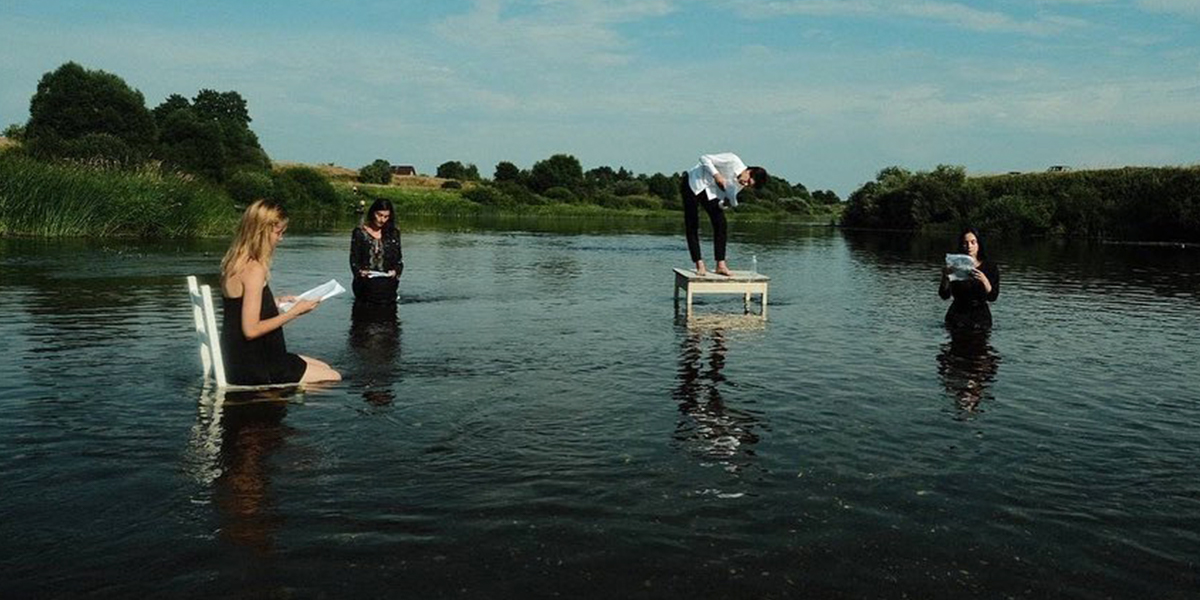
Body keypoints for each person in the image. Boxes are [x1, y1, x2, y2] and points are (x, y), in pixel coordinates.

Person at [219, 199, 341, 385]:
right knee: (333, 378)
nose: (281, 238)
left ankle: (287, 391)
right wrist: (295, 312)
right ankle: (281, 394)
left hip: (238, 355)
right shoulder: (253, 270)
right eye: (278, 233)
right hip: (257, 365)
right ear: (262, 232)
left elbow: (238, 306)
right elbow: (251, 330)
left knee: (324, 367)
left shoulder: (233, 262)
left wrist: (275, 302)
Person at [682, 153, 768, 276]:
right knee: (692, 224)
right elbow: (704, 158)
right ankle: (699, 264)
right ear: (749, 171)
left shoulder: (739, 185)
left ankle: (720, 265)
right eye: (748, 181)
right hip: (693, 182)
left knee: (721, 224)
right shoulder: (732, 160)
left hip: (710, 193)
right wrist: (716, 175)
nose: (745, 184)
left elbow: (722, 203)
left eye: (749, 185)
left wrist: (725, 204)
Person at [938, 227, 1000, 329]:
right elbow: (944, 295)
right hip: (957, 313)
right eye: (965, 243)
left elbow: (993, 297)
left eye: (973, 242)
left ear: (979, 244)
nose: (969, 246)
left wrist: (984, 280)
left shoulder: (990, 267)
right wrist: (945, 277)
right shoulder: (954, 265)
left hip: (980, 315)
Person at [349, 198, 403, 305]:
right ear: (373, 213)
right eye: (379, 215)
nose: (382, 220)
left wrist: (395, 271)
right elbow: (354, 259)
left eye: (386, 217)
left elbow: (398, 260)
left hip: (387, 284)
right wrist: (360, 272)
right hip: (365, 284)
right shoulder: (360, 233)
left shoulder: (393, 233)